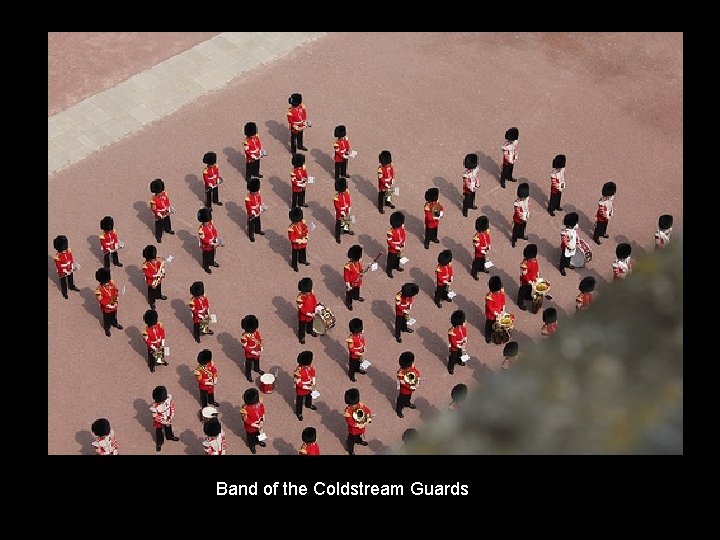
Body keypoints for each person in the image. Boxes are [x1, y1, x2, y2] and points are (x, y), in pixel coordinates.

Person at [150, 385, 180, 451]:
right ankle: (159, 443)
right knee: (159, 431)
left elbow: (172, 407)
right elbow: (156, 417)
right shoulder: (154, 408)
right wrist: (164, 421)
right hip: (160, 420)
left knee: (169, 427)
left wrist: (170, 417)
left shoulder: (168, 399)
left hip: (167, 417)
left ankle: (170, 436)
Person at [95, 268, 122, 337]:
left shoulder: (111, 283)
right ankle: (107, 329)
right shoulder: (99, 290)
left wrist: (116, 297)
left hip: (114, 302)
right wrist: (108, 305)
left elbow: (115, 290)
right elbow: (101, 300)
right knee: (106, 318)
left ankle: (114, 323)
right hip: (106, 307)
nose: (108, 283)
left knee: (114, 315)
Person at [343, 388, 372, 455]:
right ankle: (350, 450)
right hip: (353, 430)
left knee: (359, 435)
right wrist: (358, 425)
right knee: (351, 440)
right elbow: (350, 422)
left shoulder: (360, 405)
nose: (355, 405)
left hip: (361, 427)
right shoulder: (348, 411)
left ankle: (359, 440)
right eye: (353, 404)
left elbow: (368, 411)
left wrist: (368, 419)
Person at [53, 235, 80, 299]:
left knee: (71, 278)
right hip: (62, 272)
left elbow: (71, 259)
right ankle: (64, 293)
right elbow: (59, 266)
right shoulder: (57, 257)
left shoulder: (68, 252)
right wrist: (65, 271)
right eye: (63, 249)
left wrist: (73, 266)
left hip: (69, 268)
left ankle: (72, 286)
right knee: (63, 282)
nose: (64, 250)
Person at [240, 388, 266, 454]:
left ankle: (258, 441)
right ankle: (252, 446)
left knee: (259, 434)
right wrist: (255, 425)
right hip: (250, 427)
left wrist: (262, 420)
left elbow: (263, 411)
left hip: (259, 424)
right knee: (251, 438)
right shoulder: (244, 409)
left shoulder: (259, 404)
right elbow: (246, 420)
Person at [149, 178, 175, 243]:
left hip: (165, 211)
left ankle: (168, 229)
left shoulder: (164, 194)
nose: (161, 193)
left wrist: (169, 208)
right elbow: (154, 209)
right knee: (159, 225)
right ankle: (158, 237)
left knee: (167, 221)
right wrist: (158, 214)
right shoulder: (153, 199)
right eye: (160, 192)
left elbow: (167, 201)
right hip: (159, 214)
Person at [293, 351, 317, 421]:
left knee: (309, 396)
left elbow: (313, 374)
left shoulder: (309, 366)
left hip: (309, 387)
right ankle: (299, 413)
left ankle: (308, 405)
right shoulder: (297, 371)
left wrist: (313, 383)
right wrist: (308, 387)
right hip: (301, 389)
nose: (308, 366)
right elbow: (298, 383)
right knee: (299, 402)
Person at [240, 314, 264, 383]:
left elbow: (259, 339)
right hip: (250, 353)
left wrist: (261, 347)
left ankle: (257, 369)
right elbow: (245, 346)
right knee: (249, 364)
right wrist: (253, 352)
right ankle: (248, 375)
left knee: (257, 361)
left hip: (257, 349)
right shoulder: (244, 336)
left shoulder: (256, 332)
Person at [142, 244, 167, 310]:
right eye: (153, 259)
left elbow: (160, 266)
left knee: (158, 288)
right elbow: (147, 274)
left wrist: (162, 271)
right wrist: (155, 275)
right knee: (151, 292)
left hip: (158, 279)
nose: (154, 259)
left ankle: (158, 296)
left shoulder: (156, 262)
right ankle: (152, 302)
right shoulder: (146, 265)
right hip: (151, 281)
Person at [396, 351, 420, 418]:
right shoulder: (401, 372)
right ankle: (399, 410)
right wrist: (410, 387)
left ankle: (407, 403)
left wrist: (417, 379)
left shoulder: (411, 366)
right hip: (404, 390)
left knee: (408, 397)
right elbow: (403, 383)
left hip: (410, 389)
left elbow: (416, 372)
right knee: (401, 400)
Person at [197, 207, 221, 274]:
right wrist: (211, 241)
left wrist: (215, 238)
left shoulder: (211, 224)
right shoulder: (201, 229)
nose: (207, 223)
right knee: (206, 256)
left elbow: (214, 231)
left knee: (212, 253)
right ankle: (206, 267)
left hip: (212, 243)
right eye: (206, 222)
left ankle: (211, 262)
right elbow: (203, 239)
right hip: (206, 246)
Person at [484, 276, 506, 344]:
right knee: (489, 324)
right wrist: (495, 313)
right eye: (496, 291)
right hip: (491, 314)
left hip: (499, 312)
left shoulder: (501, 291)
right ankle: (487, 335)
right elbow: (489, 307)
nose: (497, 292)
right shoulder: (489, 297)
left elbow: (503, 300)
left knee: (497, 324)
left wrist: (503, 309)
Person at [297, 277, 318, 344]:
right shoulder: (300, 298)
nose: (309, 293)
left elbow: (314, 301)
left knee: (310, 324)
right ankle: (301, 337)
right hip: (303, 316)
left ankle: (310, 331)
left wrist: (315, 310)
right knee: (302, 327)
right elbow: (301, 309)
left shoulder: (311, 293)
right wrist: (309, 314)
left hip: (311, 314)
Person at [517, 244, 539, 311]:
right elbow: (524, 274)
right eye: (532, 258)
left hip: (532, 279)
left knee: (530, 289)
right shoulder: (524, 264)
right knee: (523, 291)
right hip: (525, 281)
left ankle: (528, 296)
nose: (533, 259)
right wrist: (528, 281)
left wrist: (537, 275)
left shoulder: (534, 260)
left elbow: (536, 268)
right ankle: (520, 303)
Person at [288, 207, 310, 272]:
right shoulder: (291, 228)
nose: (298, 223)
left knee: (303, 251)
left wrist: (306, 236)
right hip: (296, 244)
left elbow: (305, 229)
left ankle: (302, 260)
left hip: (303, 242)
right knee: (295, 254)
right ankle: (294, 265)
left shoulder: (302, 223)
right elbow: (292, 239)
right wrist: (300, 241)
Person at [344, 244, 364, 310]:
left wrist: (362, 271)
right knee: (349, 293)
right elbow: (346, 276)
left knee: (357, 289)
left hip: (357, 280)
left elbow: (360, 269)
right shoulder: (348, 266)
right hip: (350, 282)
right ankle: (348, 303)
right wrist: (347, 284)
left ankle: (356, 297)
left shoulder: (358, 262)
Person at [386, 211, 406, 278]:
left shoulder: (401, 229)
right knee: (391, 260)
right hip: (392, 249)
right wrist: (396, 247)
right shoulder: (390, 232)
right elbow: (389, 242)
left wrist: (403, 243)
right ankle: (389, 271)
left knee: (398, 258)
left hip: (399, 247)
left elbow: (403, 236)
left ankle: (397, 266)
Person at [447, 309, 468, 375]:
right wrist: (459, 346)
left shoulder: (462, 327)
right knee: (453, 357)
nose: (460, 325)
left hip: (461, 344)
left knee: (460, 354)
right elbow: (453, 341)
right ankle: (451, 368)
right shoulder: (452, 331)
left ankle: (459, 361)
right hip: (454, 347)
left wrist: (464, 341)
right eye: (459, 324)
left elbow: (464, 334)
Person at [245, 177, 265, 243]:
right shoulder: (248, 198)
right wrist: (252, 213)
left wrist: (260, 208)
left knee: (258, 221)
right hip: (252, 212)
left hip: (257, 210)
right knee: (251, 224)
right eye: (255, 191)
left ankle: (258, 230)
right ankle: (251, 236)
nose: (256, 192)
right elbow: (248, 206)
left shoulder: (257, 195)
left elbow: (259, 201)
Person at [471, 215, 491, 280]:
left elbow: (488, 240)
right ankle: (474, 273)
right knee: (476, 263)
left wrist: (488, 246)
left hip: (485, 250)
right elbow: (477, 246)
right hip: (479, 253)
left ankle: (482, 269)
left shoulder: (485, 233)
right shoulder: (476, 236)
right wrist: (482, 251)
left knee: (483, 261)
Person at [346, 318, 366, 382]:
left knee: (358, 363)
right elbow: (351, 349)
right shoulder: (351, 338)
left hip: (360, 353)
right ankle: (351, 375)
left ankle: (357, 369)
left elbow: (362, 341)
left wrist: (364, 347)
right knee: (352, 366)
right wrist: (358, 353)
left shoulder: (359, 335)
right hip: (354, 356)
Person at [333, 178, 353, 243]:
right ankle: (337, 237)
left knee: (347, 221)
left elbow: (348, 201)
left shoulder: (346, 192)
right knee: (338, 225)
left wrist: (349, 207)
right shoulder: (336, 197)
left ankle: (346, 230)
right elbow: (337, 206)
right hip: (340, 213)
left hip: (346, 210)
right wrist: (341, 212)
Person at [559, 212, 579, 277]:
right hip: (566, 247)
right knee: (564, 258)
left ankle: (567, 264)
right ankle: (561, 268)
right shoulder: (565, 232)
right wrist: (568, 246)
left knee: (569, 256)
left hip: (572, 246)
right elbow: (564, 240)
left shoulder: (573, 229)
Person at [511, 182, 530, 248]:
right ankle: (514, 240)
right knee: (516, 230)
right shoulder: (517, 203)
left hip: (524, 217)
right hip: (518, 219)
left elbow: (527, 206)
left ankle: (521, 235)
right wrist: (523, 216)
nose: (523, 199)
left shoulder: (526, 199)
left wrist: (527, 214)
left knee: (523, 227)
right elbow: (518, 212)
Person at [462, 153, 480, 217]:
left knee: (473, 196)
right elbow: (466, 182)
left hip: (474, 185)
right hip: (468, 188)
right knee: (466, 199)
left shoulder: (476, 170)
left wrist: (477, 183)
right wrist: (470, 187)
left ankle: (471, 205)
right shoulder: (466, 174)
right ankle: (465, 210)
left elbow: (476, 177)